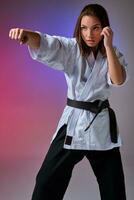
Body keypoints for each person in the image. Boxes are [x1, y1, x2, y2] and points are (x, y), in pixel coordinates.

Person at [9, 3, 128, 200]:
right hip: (74, 123)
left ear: (105, 29)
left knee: (114, 189)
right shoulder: (72, 49)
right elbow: (48, 43)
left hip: (101, 126)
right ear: (79, 29)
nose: (89, 34)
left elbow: (118, 80)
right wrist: (27, 35)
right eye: (84, 28)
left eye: (95, 28)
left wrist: (108, 47)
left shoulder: (113, 54)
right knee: (46, 182)